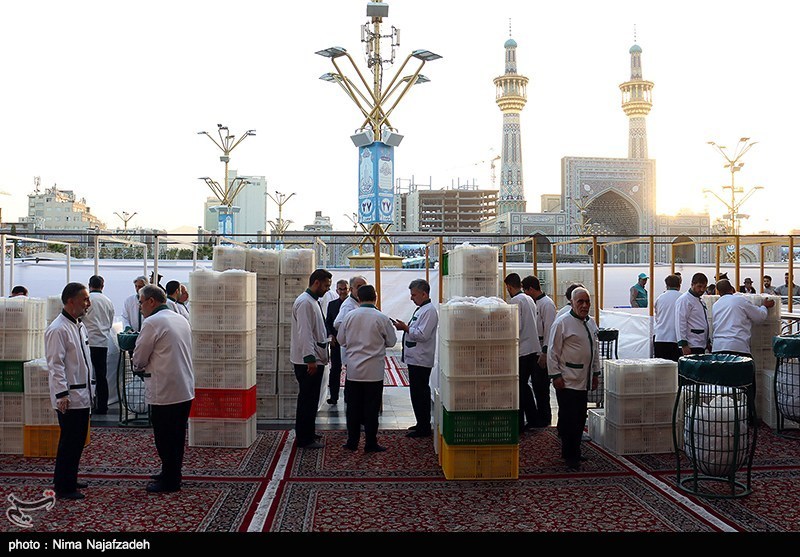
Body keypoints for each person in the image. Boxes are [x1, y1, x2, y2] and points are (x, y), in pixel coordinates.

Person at [132, 284, 194, 493]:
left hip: (164, 390)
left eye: (141, 302)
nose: (140, 307)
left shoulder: (152, 322)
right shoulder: (180, 318)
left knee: (164, 437)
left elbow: (140, 355)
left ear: (151, 301)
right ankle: (171, 472)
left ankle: (170, 480)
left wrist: (137, 366)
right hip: (183, 387)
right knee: (176, 436)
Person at [45, 282, 93, 500]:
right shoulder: (58, 329)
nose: (88, 303)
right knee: (70, 441)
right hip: (70, 396)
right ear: (71, 301)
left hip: (82, 394)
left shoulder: (78, 325)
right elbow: (55, 364)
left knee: (77, 440)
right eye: (85, 299)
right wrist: (61, 394)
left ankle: (68, 477)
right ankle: (64, 486)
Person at [337, 285, 397, 453]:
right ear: (375, 298)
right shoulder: (382, 317)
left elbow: (341, 340)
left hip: (354, 370)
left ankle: (352, 442)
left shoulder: (349, 316)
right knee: (372, 409)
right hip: (374, 371)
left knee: (353, 408)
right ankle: (371, 442)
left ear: (359, 298)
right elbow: (392, 341)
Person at [547, 287, 600, 471]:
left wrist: (595, 374)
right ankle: (570, 455)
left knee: (579, 418)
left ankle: (575, 451)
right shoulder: (562, 323)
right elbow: (552, 352)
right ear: (572, 302)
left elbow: (594, 350)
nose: (584, 305)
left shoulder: (591, 323)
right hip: (568, 380)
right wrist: (556, 376)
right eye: (580, 302)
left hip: (583, 380)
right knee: (569, 419)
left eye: (587, 301)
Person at [711, 279, 775, 420]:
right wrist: (764, 306)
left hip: (718, 349)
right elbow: (759, 317)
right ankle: (748, 416)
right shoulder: (739, 300)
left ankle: (726, 416)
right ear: (732, 289)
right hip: (738, 348)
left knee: (724, 385)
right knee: (746, 384)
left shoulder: (716, 305)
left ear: (719, 292)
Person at [289, 269, 332, 450]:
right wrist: (310, 359)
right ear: (316, 283)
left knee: (312, 399)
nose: (327, 289)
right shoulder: (305, 302)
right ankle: (304, 438)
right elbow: (305, 333)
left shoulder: (312, 301)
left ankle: (309, 431)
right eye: (326, 285)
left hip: (315, 358)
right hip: (307, 362)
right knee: (307, 400)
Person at [393, 278, 438, 438]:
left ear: (424, 294)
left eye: (414, 295)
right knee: (416, 393)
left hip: (421, 359)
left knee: (420, 393)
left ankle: (424, 427)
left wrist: (405, 328)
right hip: (415, 358)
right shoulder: (421, 309)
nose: (411, 298)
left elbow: (422, 335)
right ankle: (421, 422)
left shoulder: (429, 311)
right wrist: (406, 327)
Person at [504, 273, 542, 431]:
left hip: (522, 350)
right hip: (532, 348)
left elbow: (516, 327)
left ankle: (521, 422)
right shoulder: (529, 299)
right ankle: (532, 418)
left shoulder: (515, 301)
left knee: (519, 387)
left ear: (509, 287)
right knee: (524, 385)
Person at [523, 275, 556, 428]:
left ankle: (545, 418)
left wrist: (545, 352)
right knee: (535, 384)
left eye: (525, 290)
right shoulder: (534, 303)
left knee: (541, 386)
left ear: (531, 289)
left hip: (542, 348)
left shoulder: (547, 304)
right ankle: (536, 417)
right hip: (534, 348)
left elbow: (549, 330)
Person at [82, 275, 115, 415]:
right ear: (103, 286)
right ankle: (102, 406)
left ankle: (87, 405)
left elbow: (80, 318)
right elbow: (110, 322)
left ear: (89, 285)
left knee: (86, 375)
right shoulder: (108, 301)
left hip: (87, 341)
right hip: (102, 342)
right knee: (102, 376)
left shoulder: (86, 300)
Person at [333, 275, 368, 385]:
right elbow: (338, 324)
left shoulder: (359, 302)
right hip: (353, 351)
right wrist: (355, 331)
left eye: (365, 287)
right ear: (351, 289)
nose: (362, 290)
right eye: (359, 287)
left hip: (360, 351)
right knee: (353, 382)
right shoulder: (348, 306)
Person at [324, 279, 349, 405]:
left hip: (350, 343)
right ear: (337, 290)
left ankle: (349, 396)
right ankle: (334, 396)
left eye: (345, 289)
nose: (343, 291)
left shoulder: (353, 304)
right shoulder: (332, 304)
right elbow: (328, 322)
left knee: (350, 369)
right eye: (340, 289)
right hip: (336, 342)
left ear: (349, 290)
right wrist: (330, 335)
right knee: (335, 369)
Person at [675, 272, 711, 356]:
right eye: (699, 286)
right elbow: (680, 322)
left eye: (704, 287)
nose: (702, 290)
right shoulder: (684, 300)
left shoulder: (700, 300)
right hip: (691, 345)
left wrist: (707, 341)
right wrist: (683, 344)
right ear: (692, 284)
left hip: (700, 344)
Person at [653, 274, 682, 362]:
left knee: (661, 368)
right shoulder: (682, 298)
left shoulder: (660, 298)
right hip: (676, 339)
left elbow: (657, 317)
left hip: (660, 338)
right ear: (679, 285)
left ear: (666, 285)